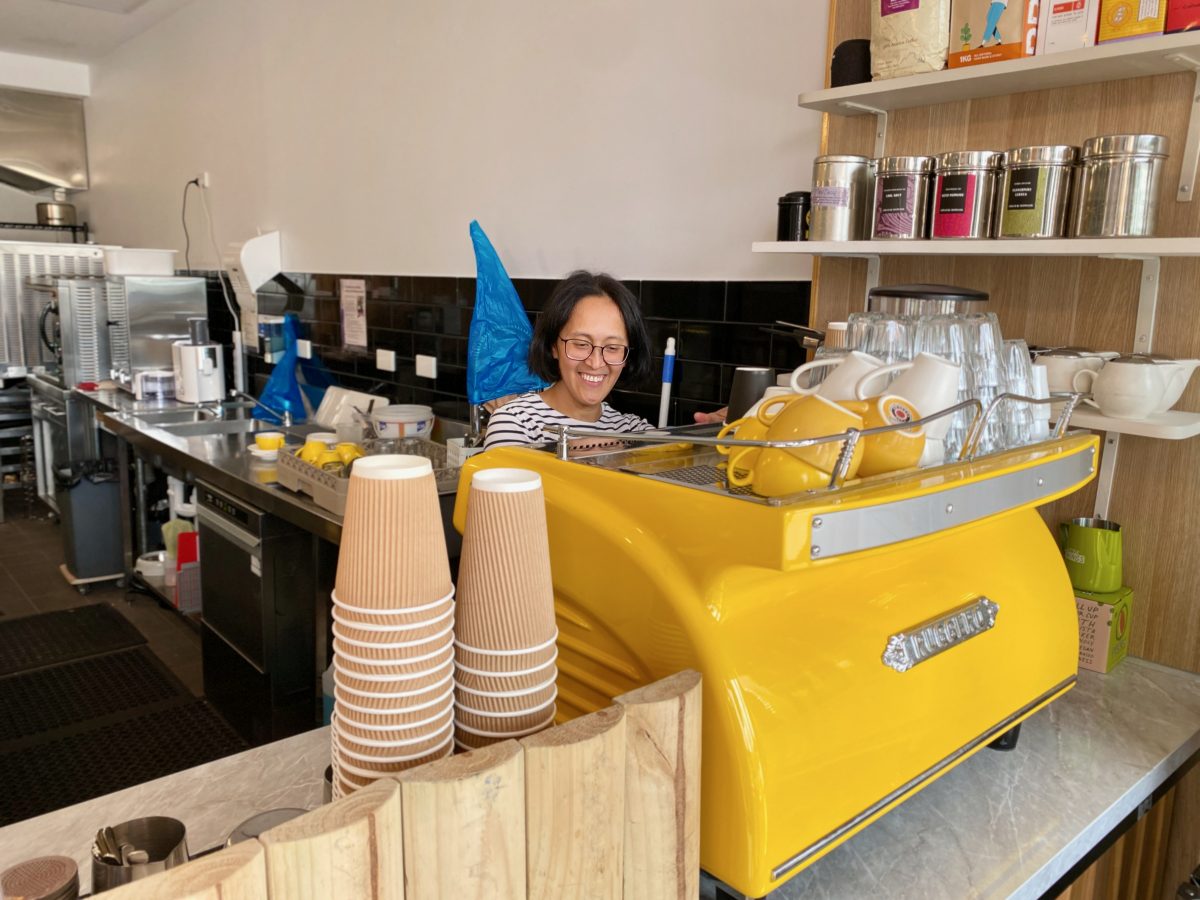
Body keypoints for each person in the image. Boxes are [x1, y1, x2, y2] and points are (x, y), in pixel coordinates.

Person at [483, 270, 654, 449]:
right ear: (553, 345)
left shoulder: (633, 431)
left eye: (612, 348)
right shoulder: (516, 424)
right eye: (581, 344)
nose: (595, 363)